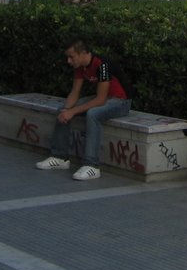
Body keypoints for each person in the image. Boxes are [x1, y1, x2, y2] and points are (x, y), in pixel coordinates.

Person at [35, 39, 133, 181]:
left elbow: (100, 100)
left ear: (83, 53)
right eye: (67, 57)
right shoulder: (79, 66)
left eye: (71, 57)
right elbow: (75, 93)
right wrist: (66, 110)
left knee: (93, 114)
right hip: (106, 98)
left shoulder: (102, 65)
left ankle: (92, 166)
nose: (69, 61)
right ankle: (59, 157)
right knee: (63, 109)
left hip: (120, 101)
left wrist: (72, 112)